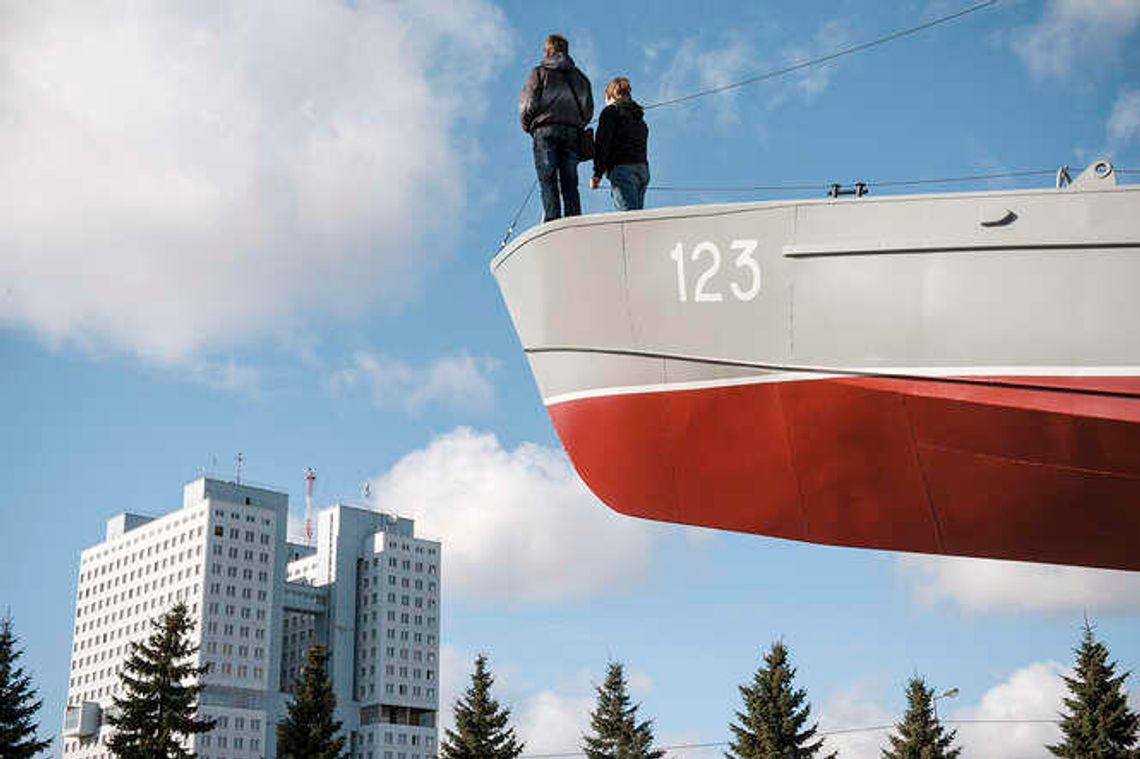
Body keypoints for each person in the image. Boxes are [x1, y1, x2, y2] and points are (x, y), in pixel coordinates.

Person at [519, 34, 593, 222]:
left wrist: (529, 126)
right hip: (572, 132)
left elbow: (528, 104)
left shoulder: (539, 73)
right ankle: (574, 221)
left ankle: (553, 222)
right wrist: (576, 122)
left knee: (548, 179)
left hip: (545, 130)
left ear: (547, 51)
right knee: (570, 182)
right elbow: (588, 110)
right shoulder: (581, 79)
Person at [589, 77, 649, 211]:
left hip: (623, 168)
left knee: (629, 218)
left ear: (609, 95)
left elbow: (602, 144)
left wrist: (597, 174)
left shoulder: (610, 112)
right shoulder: (639, 118)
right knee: (637, 216)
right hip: (642, 169)